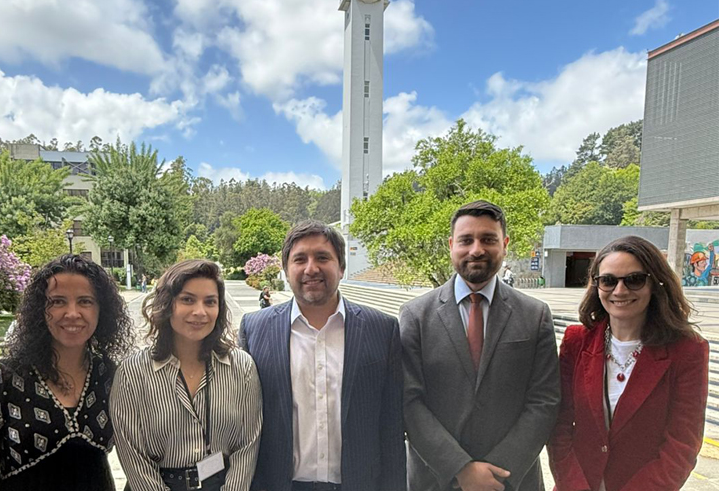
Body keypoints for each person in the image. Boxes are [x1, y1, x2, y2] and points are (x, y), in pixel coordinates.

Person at [400, 200, 560, 491]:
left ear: (505, 244)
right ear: (451, 244)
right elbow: (409, 402)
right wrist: (460, 469)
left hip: (513, 480)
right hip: (437, 480)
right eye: (466, 240)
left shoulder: (535, 315)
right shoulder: (415, 316)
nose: (477, 249)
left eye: (488, 239)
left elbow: (544, 400)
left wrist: (498, 474)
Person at [239, 220, 406, 491]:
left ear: (341, 267)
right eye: (300, 259)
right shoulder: (255, 329)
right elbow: (244, 424)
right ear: (285, 269)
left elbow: (392, 427)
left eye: (322, 257)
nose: (311, 268)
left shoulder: (382, 329)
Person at [0, 254, 134, 491]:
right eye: (58, 301)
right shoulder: (1, 380)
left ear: (103, 310)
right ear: (40, 310)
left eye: (85, 301)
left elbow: (143, 455)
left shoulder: (110, 375)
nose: (72, 313)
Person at [548, 235, 709, 491]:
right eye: (608, 281)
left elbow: (682, 444)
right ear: (596, 286)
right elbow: (559, 427)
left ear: (655, 284)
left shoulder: (687, 350)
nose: (620, 291)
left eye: (634, 280)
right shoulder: (576, 341)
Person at [111, 259, 262, 491]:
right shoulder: (133, 372)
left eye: (210, 302)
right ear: (167, 304)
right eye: (187, 300)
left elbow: (247, 445)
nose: (199, 312)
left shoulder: (241, 367)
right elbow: (133, 454)